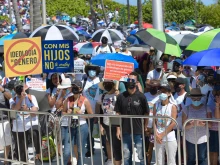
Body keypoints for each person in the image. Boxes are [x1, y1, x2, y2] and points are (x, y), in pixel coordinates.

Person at [115, 72, 149, 165]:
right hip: (125, 130)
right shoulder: (121, 96)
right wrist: (118, 129)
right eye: (129, 81)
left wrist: (145, 127)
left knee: (141, 154)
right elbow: (118, 113)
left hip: (138, 130)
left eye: (133, 81)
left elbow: (146, 113)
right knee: (126, 154)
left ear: (136, 83)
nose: (131, 83)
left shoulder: (141, 96)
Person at [62, 80, 93, 165]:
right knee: (66, 152)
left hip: (82, 126)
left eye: (76, 86)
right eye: (73, 86)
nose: (74, 88)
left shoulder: (85, 100)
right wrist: (67, 112)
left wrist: (81, 115)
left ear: (80, 88)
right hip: (70, 126)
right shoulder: (68, 100)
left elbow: (91, 115)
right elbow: (63, 112)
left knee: (80, 151)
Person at [10, 81, 41, 164]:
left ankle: (38, 155)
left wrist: (28, 110)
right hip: (19, 126)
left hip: (32, 123)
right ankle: (24, 162)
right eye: (18, 88)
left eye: (21, 87)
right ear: (14, 89)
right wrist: (21, 99)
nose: (20, 89)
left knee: (35, 134)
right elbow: (14, 109)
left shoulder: (31, 97)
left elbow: (35, 112)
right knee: (22, 150)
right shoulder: (12, 99)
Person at [182, 88, 212, 165]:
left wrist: (203, 124)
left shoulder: (206, 108)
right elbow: (184, 126)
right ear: (191, 98)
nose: (196, 100)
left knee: (202, 158)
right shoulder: (186, 109)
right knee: (191, 158)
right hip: (190, 138)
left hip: (203, 138)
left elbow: (210, 124)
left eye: (197, 98)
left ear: (200, 98)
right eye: (194, 98)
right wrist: (192, 124)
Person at [96, 80, 122, 165]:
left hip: (116, 122)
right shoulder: (102, 96)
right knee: (108, 141)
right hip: (106, 122)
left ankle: (118, 161)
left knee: (117, 145)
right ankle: (110, 159)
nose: (107, 85)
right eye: (105, 84)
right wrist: (100, 124)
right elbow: (100, 110)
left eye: (108, 84)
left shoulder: (118, 95)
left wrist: (119, 96)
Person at [154, 83, 177, 165]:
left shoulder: (172, 106)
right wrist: (156, 134)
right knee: (159, 161)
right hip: (158, 137)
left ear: (169, 93)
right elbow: (154, 121)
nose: (162, 93)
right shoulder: (156, 105)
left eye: (165, 91)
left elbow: (173, 123)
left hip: (169, 137)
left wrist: (162, 135)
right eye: (161, 91)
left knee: (171, 160)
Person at [82, 64, 102, 157]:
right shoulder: (84, 81)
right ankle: (90, 149)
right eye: (90, 69)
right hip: (87, 111)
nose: (91, 71)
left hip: (99, 110)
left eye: (94, 69)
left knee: (102, 132)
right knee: (89, 132)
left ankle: (106, 150)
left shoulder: (100, 81)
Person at [144, 80, 160, 164]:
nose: (153, 89)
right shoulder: (145, 95)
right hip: (147, 126)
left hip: (158, 127)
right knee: (148, 148)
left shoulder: (161, 96)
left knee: (158, 147)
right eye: (151, 87)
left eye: (155, 87)